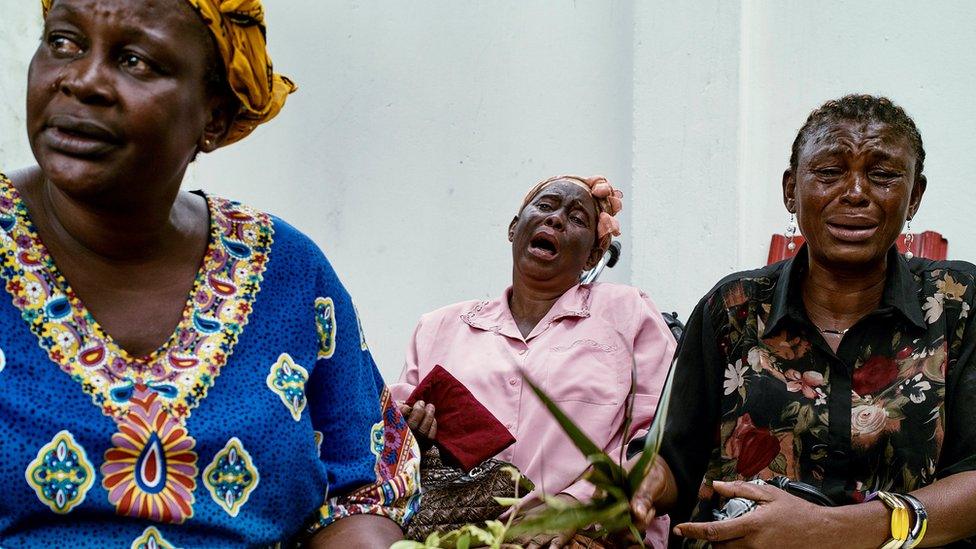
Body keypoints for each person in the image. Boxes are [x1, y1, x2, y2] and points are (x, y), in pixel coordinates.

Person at [0, 0, 419, 546]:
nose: (81, 81)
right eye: (62, 43)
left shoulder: (288, 272)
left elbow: (362, 487)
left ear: (214, 117)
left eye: (136, 60)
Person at [630, 95, 976, 547]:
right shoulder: (732, 307)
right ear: (791, 189)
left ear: (914, 196)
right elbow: (673, 458)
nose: (855, 192)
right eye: (830, 172)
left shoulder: (958, 305)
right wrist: (631, 485)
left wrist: (826, 531)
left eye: (883, 175)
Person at [392, 175, 677, 548]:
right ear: (514, 228)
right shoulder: (438, 327)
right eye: (545, 206)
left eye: (577, 218)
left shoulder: (628, 313)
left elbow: (656, 444)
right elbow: (387, 447)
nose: (556, 219)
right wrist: (410, 430)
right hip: (458, 535)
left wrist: (573, 506)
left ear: (593, 254)